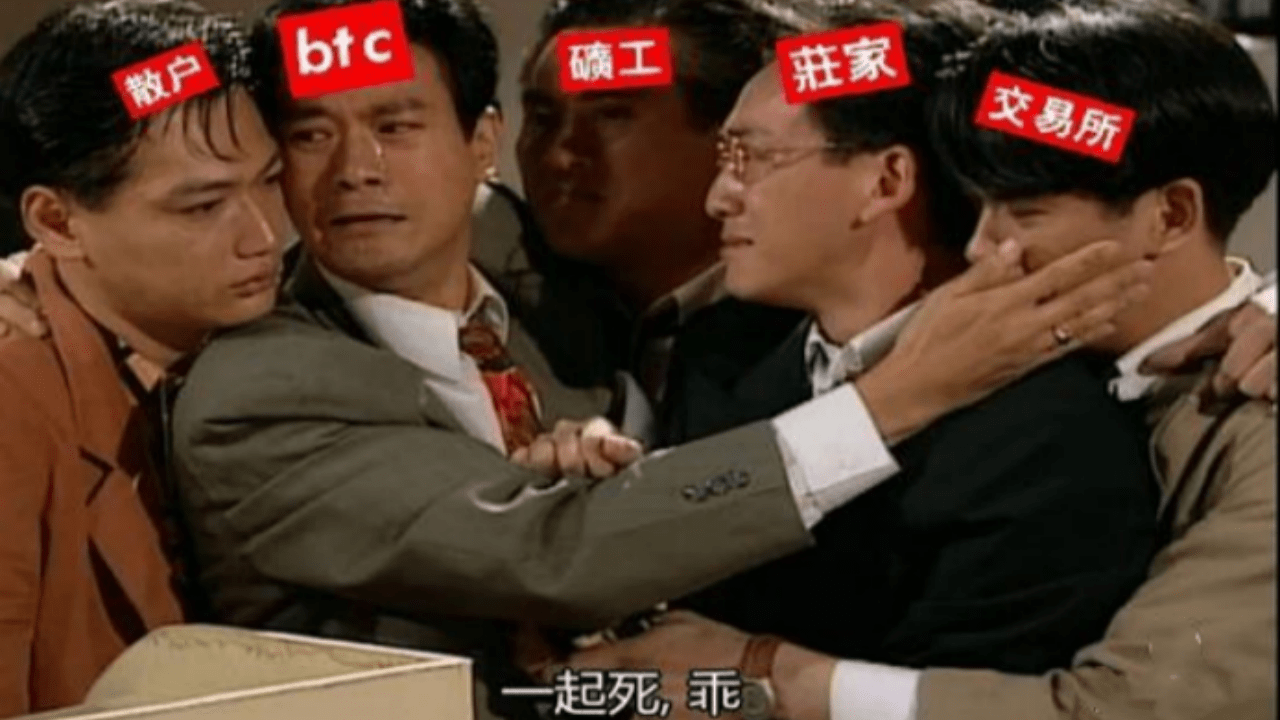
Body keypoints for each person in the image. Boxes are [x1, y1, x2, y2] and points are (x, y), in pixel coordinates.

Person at [563, 3, 1277, 720]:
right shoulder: (736, 347)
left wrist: (771, 674)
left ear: (1172, 216)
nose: (978, 247)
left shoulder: (1225, 415)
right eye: (976, 200)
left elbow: (1126, 708)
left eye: (1025, 211)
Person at [0, 1, 289, 715]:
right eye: (202, 207)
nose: (264, 236)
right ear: (58, 222)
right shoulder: (16, 399)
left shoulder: (276, 341)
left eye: (271, 180)